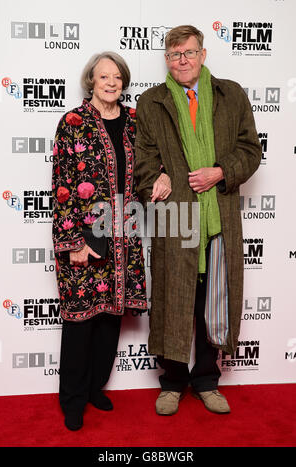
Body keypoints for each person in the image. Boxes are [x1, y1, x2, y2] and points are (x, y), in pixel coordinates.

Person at [135, 25, 261, 416]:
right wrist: (157, 175)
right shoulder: (151, 101)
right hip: (176, 214)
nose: (182, 60)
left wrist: (221, 171)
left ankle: (207, 380)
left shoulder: (231, 94)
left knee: (214, 301)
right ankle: (172, 382)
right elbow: (142, 157)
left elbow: (250, 149)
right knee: (174, 297)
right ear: (167, 60)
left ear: (202, 54)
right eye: (174, 55)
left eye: (188, 52)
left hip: (219, 214)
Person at [52, 51, 147, 430]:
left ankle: (95, 387)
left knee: (111, 316)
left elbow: (148, 164)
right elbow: (61, 185)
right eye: (103, 76)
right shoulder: (73, 122)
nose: (111, 83)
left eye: (117, 77)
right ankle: (72, 400)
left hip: (124, 233)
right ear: (90, 81)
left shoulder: (135, 121)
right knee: (80, 319)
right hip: (85, 235)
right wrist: (73, 240)